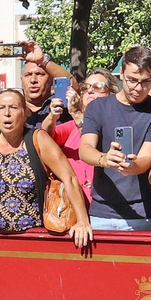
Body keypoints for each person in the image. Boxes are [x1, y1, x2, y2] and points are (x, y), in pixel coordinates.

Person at [0, 89, 91, 245]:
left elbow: (70, 178)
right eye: (1, 108)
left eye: (13, 107)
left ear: (25, 113)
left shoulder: (38, 139)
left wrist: (82, 221)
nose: (7, 113)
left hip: (35, 237)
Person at [80, 46, 151, 230]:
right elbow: (85, 149)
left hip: (143, 214)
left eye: (146, 82)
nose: (138, 88)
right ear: (121, 73)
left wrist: (132, 167)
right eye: (132, 80)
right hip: (101, 212)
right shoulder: (98, 107)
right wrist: (104, 159)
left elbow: (147, 157)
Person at [0, 41, 73, 134]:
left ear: (51, 79)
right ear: (21, 80)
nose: (33, 80)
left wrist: (42, 60)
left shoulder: (62, 103)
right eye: (28, 75)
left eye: (39, 74)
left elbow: (73, 84)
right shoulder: (7, 104)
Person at [49, 69, 115, 201]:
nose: (90, 91)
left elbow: (96, 144)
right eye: (86, 87)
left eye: (98, 87)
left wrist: (77, 115)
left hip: (103, 206)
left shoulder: (116, 122)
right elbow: (44, 138)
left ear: (111, 94)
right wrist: (52, 116)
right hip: (74, 207)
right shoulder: (72, 125)